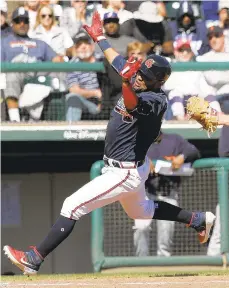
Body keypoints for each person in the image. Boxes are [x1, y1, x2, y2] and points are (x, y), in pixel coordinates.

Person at [3, 11, 215, 275]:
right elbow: (118, 62)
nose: (140, 78)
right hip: (130, 165)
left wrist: (127, 79)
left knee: (72, 205)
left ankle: (34, 258)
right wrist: (100, 38)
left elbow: (131, 102)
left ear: (157, 83)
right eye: (140, 73)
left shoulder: (155, 99)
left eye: (145, 78)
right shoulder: (139, 77)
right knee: (143, 211)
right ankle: (197, 220)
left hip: (124, 171)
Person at [133, 132, 200, 257]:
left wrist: (182, 156)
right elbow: (126, 157)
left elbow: (194, 151)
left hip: (168, 193)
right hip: (146, 192)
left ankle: (162, 265)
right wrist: (144, 160)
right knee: (141, 228)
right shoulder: (138, 141)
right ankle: (141, 262)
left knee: (165, 233)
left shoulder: (173, 139)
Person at [1, 7, 63, 122]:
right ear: (12, 24)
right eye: (18, 21)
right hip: (15, 73)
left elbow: (57, 60)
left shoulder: (39, 43)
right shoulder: (4, 42)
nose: (22, 24)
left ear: (29, 23)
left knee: (57, 72)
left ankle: (35, 117)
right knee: (10, 76)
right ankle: (15, 120)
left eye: (25, 21)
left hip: (37, 72)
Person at [163, 38, 221, 120]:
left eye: (188, 50)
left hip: (195, 102)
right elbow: (168, 89)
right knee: (175, 93)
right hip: (174, 105)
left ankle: (219, 116)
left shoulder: (196, 67)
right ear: (175, 52)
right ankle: (180, 120)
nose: (185, 53)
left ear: (192, 52)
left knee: (209, 92)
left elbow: (205, 89)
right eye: (181, 50)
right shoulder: (169, 65)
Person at [65, 32, 102, 121]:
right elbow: (74, 90)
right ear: (75, 49)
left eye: (86, 43)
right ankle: (71, 132)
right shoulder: (72, 64)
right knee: (72, 97)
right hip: (86, 102)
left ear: (92, 46)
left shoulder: (102, 59)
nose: (83, 47)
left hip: (107, 101)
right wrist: (95, 93)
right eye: (79, 44)